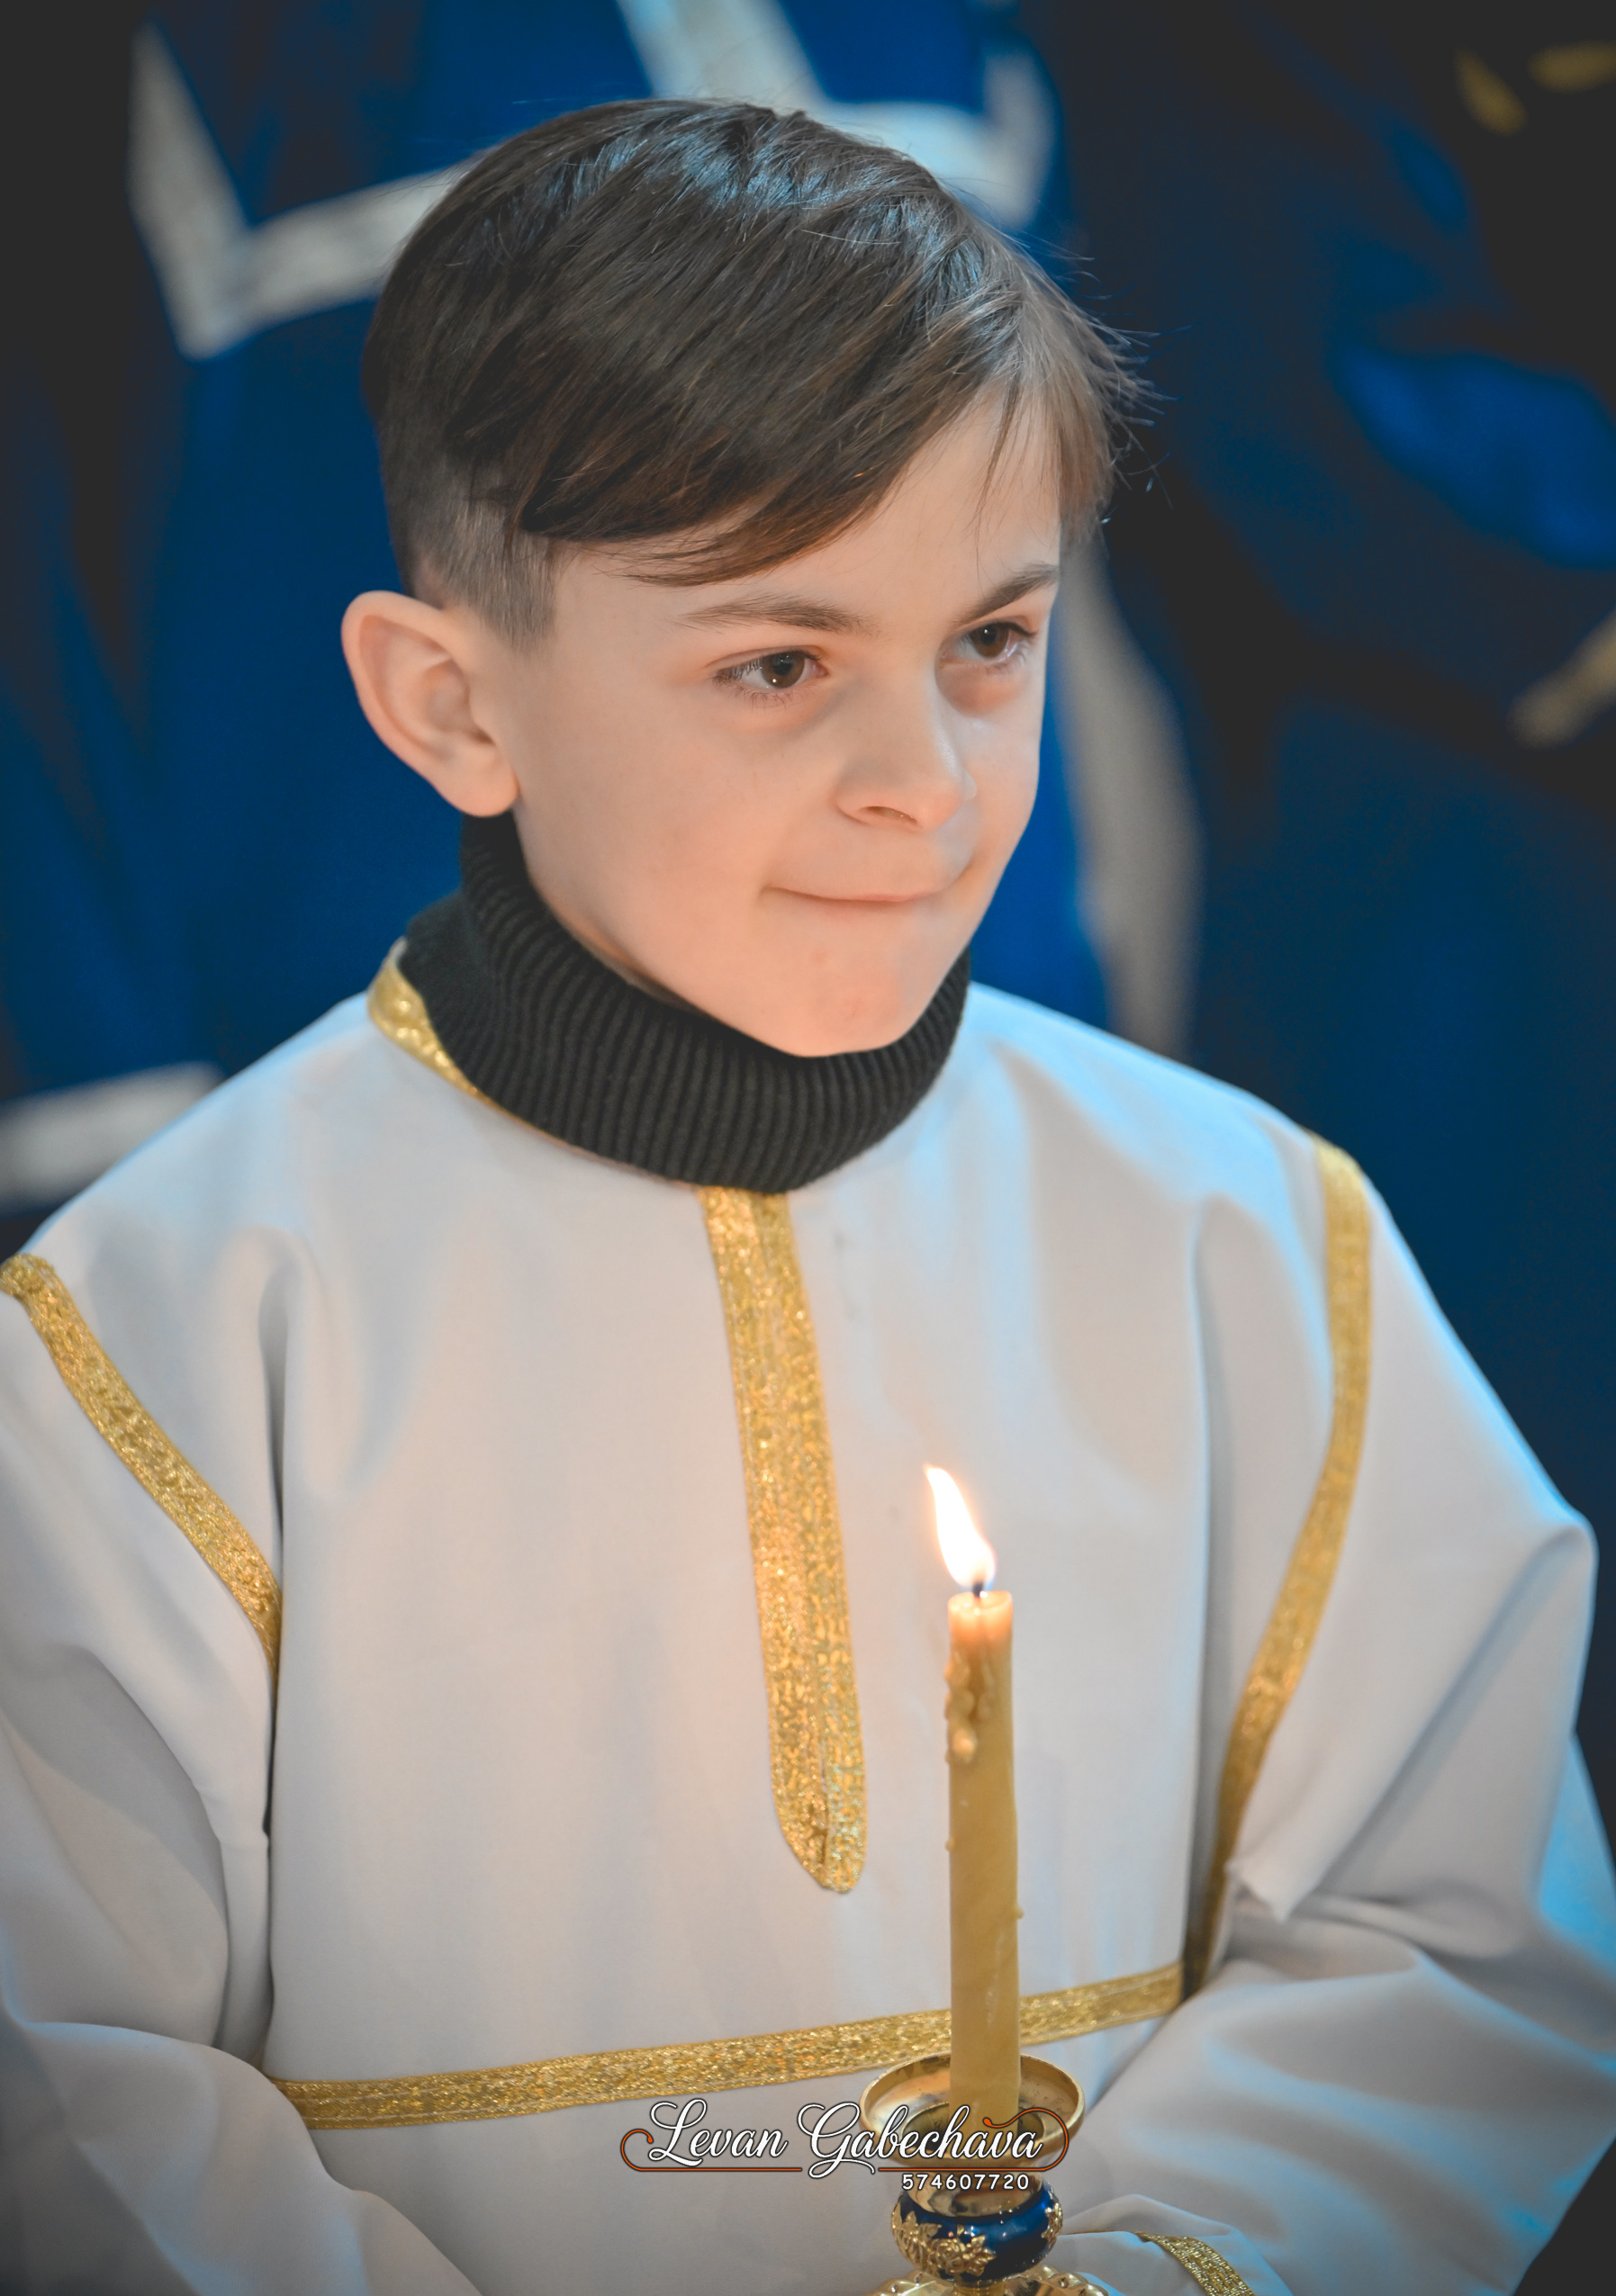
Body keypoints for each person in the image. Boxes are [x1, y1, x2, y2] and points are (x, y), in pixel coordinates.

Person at [1, 101, 1611, 2296]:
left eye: (990, 643)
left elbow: (1454, 1928)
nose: (924, 786)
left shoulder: (1243, 1239)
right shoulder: (164, 1327)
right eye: (778, 665)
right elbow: (68, 2073)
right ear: (449, 703)